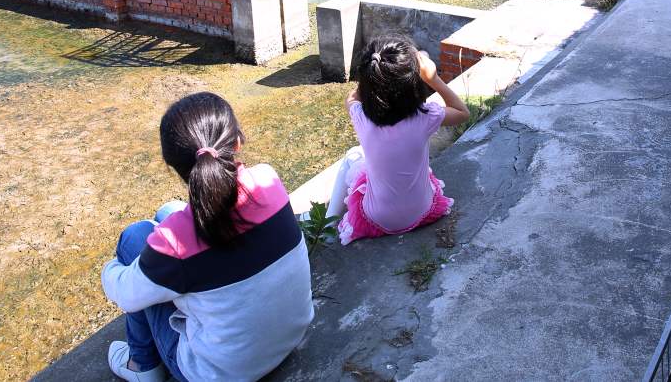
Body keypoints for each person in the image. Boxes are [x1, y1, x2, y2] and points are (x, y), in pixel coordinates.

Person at [101, 92, 313, 382]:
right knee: (169, 210)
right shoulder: (269, 180)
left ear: (175, 166)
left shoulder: (175, 242)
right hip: (290, 337)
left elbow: (125, 294)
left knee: (134, 237)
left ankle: (143, 366)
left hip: (218, 373)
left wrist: (112, 268)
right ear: (237, 142)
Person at [326, 35, 471, 245]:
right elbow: (462, 112)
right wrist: (432, 78)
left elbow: (352, 98)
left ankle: (328, 223)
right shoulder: (426, 117)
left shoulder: (362, 118)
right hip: (422, 212)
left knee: (353, 156)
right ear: (413, 82)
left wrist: (371, 76)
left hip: (377, 219)